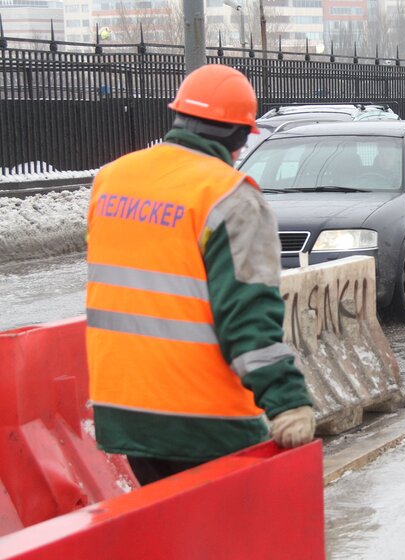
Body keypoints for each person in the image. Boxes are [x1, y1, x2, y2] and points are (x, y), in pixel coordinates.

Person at [86, 64, 315, 485]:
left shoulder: (112, 180)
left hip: (124, 413)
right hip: (203, 419)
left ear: (179, 118)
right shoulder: (231, 196)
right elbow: (247, 316)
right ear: (240, 137)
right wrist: (288, 402)